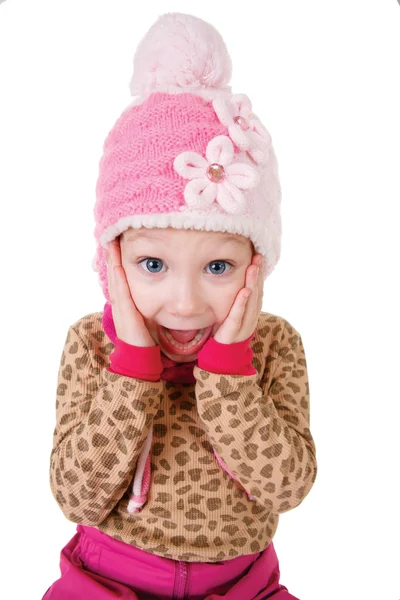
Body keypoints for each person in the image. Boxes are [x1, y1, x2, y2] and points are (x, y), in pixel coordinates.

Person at [43, 12, 318, 600]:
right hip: (107, 580)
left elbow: (286, 487)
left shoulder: (274, 347)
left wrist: (230, 371)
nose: (185, 302)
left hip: (245, 585)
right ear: (112, 261)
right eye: (152, 266)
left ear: (256, 263)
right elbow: (76, 495)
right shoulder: (92, 345)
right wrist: (132, 369)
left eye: (217, 268)